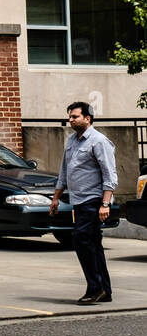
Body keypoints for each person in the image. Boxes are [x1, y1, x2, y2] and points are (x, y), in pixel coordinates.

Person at [48, 101, 117, 304]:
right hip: (78, 201)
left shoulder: (99, 141)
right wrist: (56, 197)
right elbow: (64, 171)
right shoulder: (71, 141)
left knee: (80, 239)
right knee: (93, 244)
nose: (70, 120)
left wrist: (105, 204)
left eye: (75, 116)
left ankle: (95, 288)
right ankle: (105, 289)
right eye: (70, 117)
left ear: (88, 118)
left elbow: (109, 174)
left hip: (93, 199)